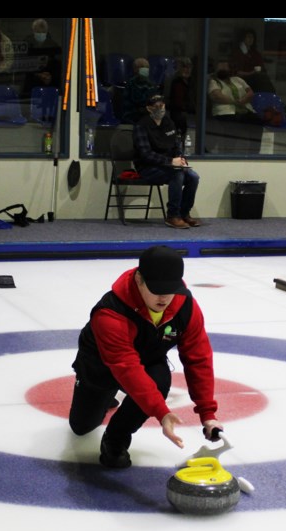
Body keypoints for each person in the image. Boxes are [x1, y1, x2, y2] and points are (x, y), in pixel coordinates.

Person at [68, 245, 224, 469]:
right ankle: (103, 397)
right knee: (82, 427)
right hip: (101, 366)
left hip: (148, 359)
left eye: (169, 289)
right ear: (139, 279)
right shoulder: (111, 313)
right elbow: (126, 368)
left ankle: (115, 440)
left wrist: (208, 414)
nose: (163, 297)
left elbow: (198, 359)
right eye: (156, 289)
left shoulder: (186, 307)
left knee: (159, 381)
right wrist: (161, 412)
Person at [133, 94, 201, 229]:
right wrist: (170, 161)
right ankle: (172, 216)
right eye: (156, 106)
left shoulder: (169, 123)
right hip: (147, 168)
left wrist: (180, 159)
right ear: (149, 108)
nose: (160, 109)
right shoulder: (141, 126)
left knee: (193, 176)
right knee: (177, 175)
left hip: (169, 166)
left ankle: (184, 213)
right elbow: (146, 155)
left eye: (162, 105)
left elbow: (176, 146)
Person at [207, 59, 261, 153]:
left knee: (257, 122)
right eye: (221, 67)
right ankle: (228, 154)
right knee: (233, 125)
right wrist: (235, 102)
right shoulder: (214, 82)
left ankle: (253, 154)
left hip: (244, 109)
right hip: (225, 112)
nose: (223, 69)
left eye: (225, 67)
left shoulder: (238, 79)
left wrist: (243, 100)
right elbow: (216, 96)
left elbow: (250, 92)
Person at [20, 18, 63, 101]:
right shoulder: (26, 45)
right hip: (30, 83)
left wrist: (50, 76)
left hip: (50, 83)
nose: (40, 34)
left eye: (42, 32)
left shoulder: (54, 46)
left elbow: (58, 65)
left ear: (46, 32)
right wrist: (37, 74)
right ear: (33, 31)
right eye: (38, 32)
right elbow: (22, 64)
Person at [230, 28, 275, 93]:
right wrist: (251, 73)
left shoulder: (255, 53)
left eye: (252, 37)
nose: (251, 39)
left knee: (264, 78)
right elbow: (236, 72)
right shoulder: (237, 54)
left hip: (256, 80)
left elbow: (262, 68)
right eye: (248, 37)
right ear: (243, 38)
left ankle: (272, 96)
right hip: (242, 80)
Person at [119, 57, 159, 124]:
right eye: (142, 67)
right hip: (133, 115)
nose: (145, 69)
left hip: (147, 115)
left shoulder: (152, 84)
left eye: (146, 67)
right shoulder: (131, 83)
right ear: (135, 69)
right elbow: (134, 101)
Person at [168, 57, 197, 139]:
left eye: (189, 67)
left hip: (189, 114)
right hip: (178, 114)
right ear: (179, 68)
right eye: (184, 67)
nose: (187, 69)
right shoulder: (174, 81)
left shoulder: (192, 81)